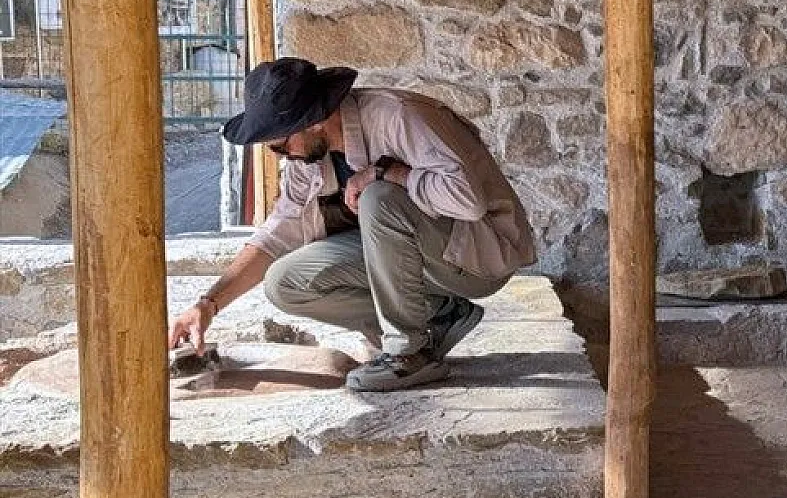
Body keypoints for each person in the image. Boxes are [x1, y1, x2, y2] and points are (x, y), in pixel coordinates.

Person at [168, 57, 537, 391]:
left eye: (279, 146)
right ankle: (441, 315)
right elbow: (279, 231)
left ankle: (410, 354)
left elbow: (468, 202)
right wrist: (208, 304)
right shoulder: (309, 156)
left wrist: (386, 173)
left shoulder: (399, 117)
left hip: (475, 257)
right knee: (285, 283)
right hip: (415, 259)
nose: (281, 155)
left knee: (378, 197)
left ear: (313, 122)